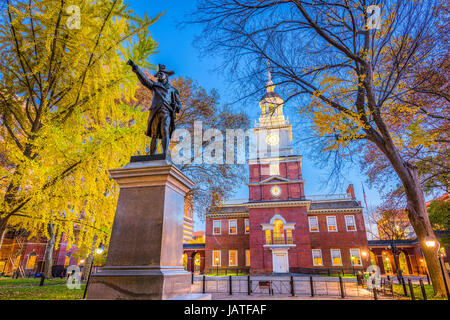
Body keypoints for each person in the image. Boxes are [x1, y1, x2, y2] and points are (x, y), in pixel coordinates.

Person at [127, 60, 181, 157]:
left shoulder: (173, 90)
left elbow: (178, 105)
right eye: (158, 74)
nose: (159, 75)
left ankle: (164, 154)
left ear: (166, 76)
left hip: (166, 111)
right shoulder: (154, 85)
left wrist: (176, 106)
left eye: (161, 73)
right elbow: (144, 79)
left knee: (165, 130)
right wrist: (135, 67)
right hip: (155, 111)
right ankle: (152, 156)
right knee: (154, 134)